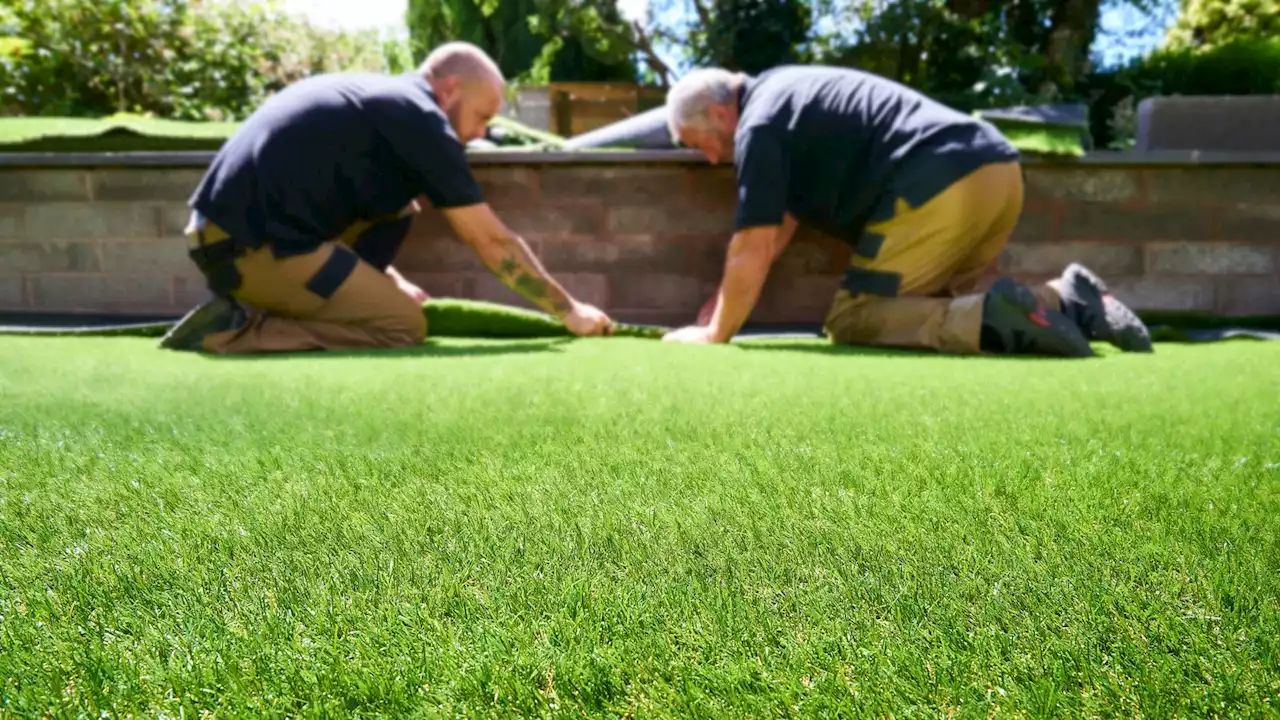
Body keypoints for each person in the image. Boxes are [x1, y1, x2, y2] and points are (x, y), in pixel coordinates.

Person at [660, 64, 1153, 357]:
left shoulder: (760, 127)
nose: (707, 157)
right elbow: (779, 225)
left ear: (721, 114)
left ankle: (995, 319)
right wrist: (723, 304)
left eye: (697, 142)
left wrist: (715, 333)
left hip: (940, 185)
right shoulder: (785, 95)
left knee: (856, 318)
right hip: (998, 175)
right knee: (929, 305)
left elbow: (754, 241)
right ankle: (1067, 298)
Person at [160, 42, 614, 354]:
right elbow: (492, 243)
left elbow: (343, 198)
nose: (480, 134)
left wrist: (389, 278)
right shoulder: (420, 117)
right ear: (450, 88)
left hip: (228, 237)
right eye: (482, 116)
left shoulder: (384, 102)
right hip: (246, 249)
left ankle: (272, 303)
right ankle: (237, 331)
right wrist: (569, 310)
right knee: (402, 325)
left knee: (401, 206)